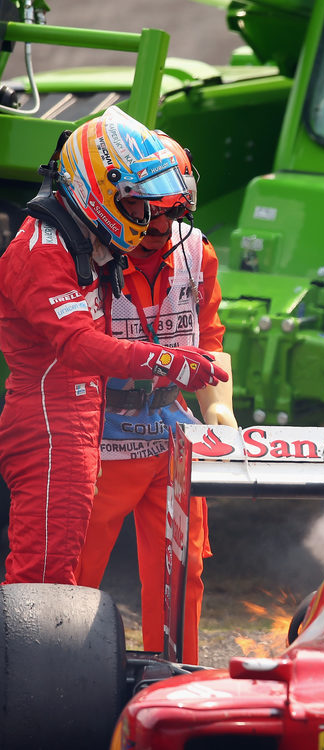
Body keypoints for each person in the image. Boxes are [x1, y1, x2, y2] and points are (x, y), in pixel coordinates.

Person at [0, 106, 228, 589]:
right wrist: (167, 360)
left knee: (59, 572)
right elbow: (79, 346)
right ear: (100, 191)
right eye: (138, 206)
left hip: (80, 422)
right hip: (51, 423)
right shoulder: (42, 251)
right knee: (46, 578)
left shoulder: (83, 242)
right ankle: (38, 666)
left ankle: (58, 663)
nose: (147, 222)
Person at [75, 131, 237, 663]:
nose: (161, 227)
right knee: (76, 573)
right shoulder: (86, 258)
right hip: (103, 440)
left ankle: (178, 679)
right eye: (146, 212)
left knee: (183, 574)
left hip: (173, 435)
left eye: (172, 213)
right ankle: (60, 679)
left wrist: (220, 411)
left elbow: (210, 342)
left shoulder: (199, 252)